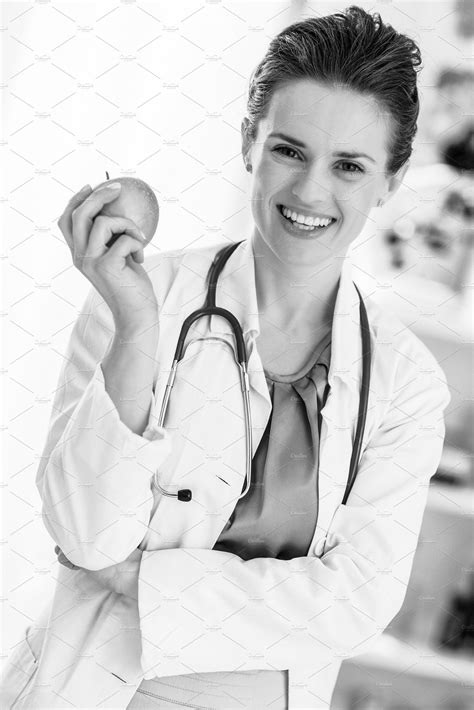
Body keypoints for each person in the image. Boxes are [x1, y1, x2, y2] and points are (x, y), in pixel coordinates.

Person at [1, 6, 451, 710]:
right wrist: (137, 328)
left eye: (350, 166)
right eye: (289, 150)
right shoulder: (141, 298)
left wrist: (142, 582)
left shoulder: (407, 380)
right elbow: (88, 536)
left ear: (390, 182)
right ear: (249, 141)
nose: (309, 192)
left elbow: (357, 602)